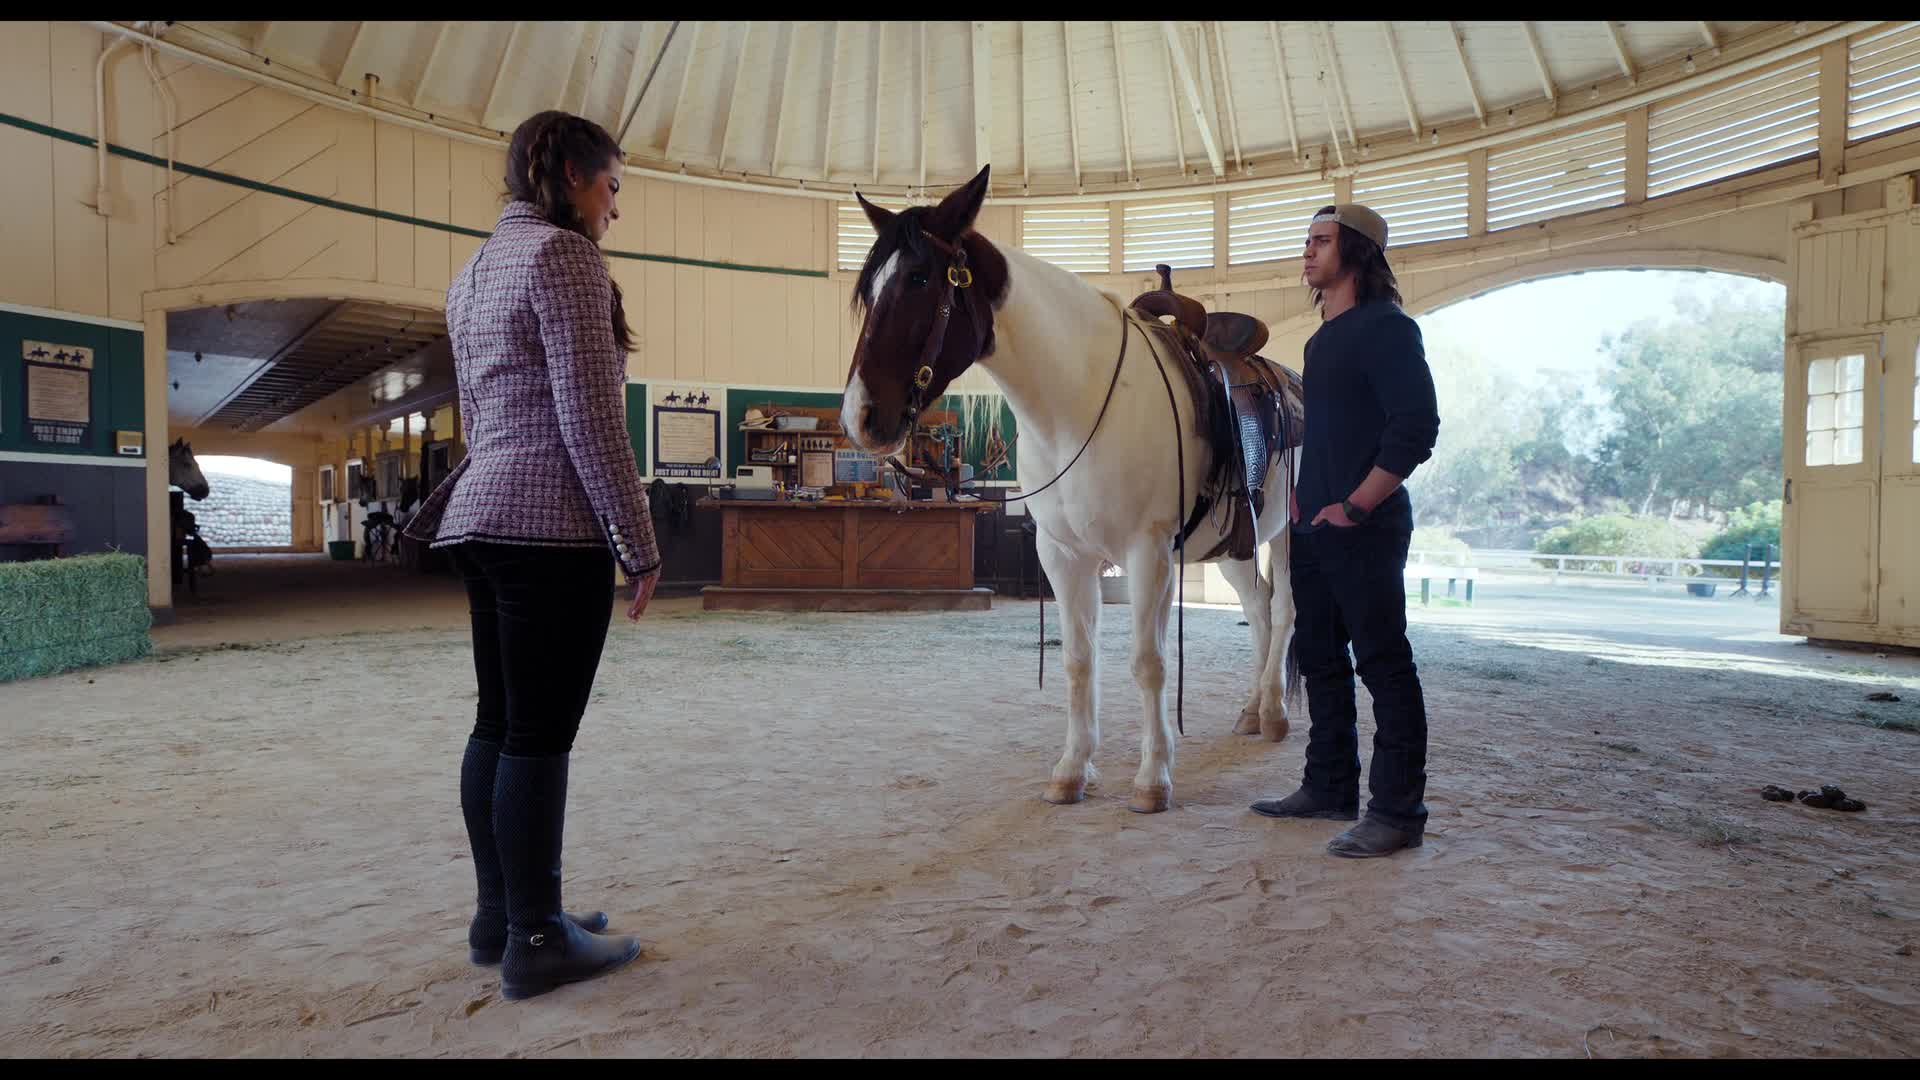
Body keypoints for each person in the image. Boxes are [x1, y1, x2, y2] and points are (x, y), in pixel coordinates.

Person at [403, 109, 663, 999]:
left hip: (481, 523)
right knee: (539, 737)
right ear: (575, 180)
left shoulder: (473, 271)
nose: (614, 210)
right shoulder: (566, 259)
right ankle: (540, 939)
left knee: (498, 725)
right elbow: (593, 420)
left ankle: (501, 917)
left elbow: (478, 422)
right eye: (612, 187)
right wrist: (638, 544)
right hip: (548, 529)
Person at [1250, 204, 1440, 859]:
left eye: (1321, 241)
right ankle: (1329, 786)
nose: (1307, 252)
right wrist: (1304, 508)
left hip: (1365, 526)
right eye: (1306, 240)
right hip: (1314, 528)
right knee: (1321, 658)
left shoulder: (1388, 329)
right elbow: (1325, 439)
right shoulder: (1321, 339)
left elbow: (1416, 427)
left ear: (1355, 251)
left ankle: (1396, 813)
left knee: (1384, 665)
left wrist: (1356, 506)